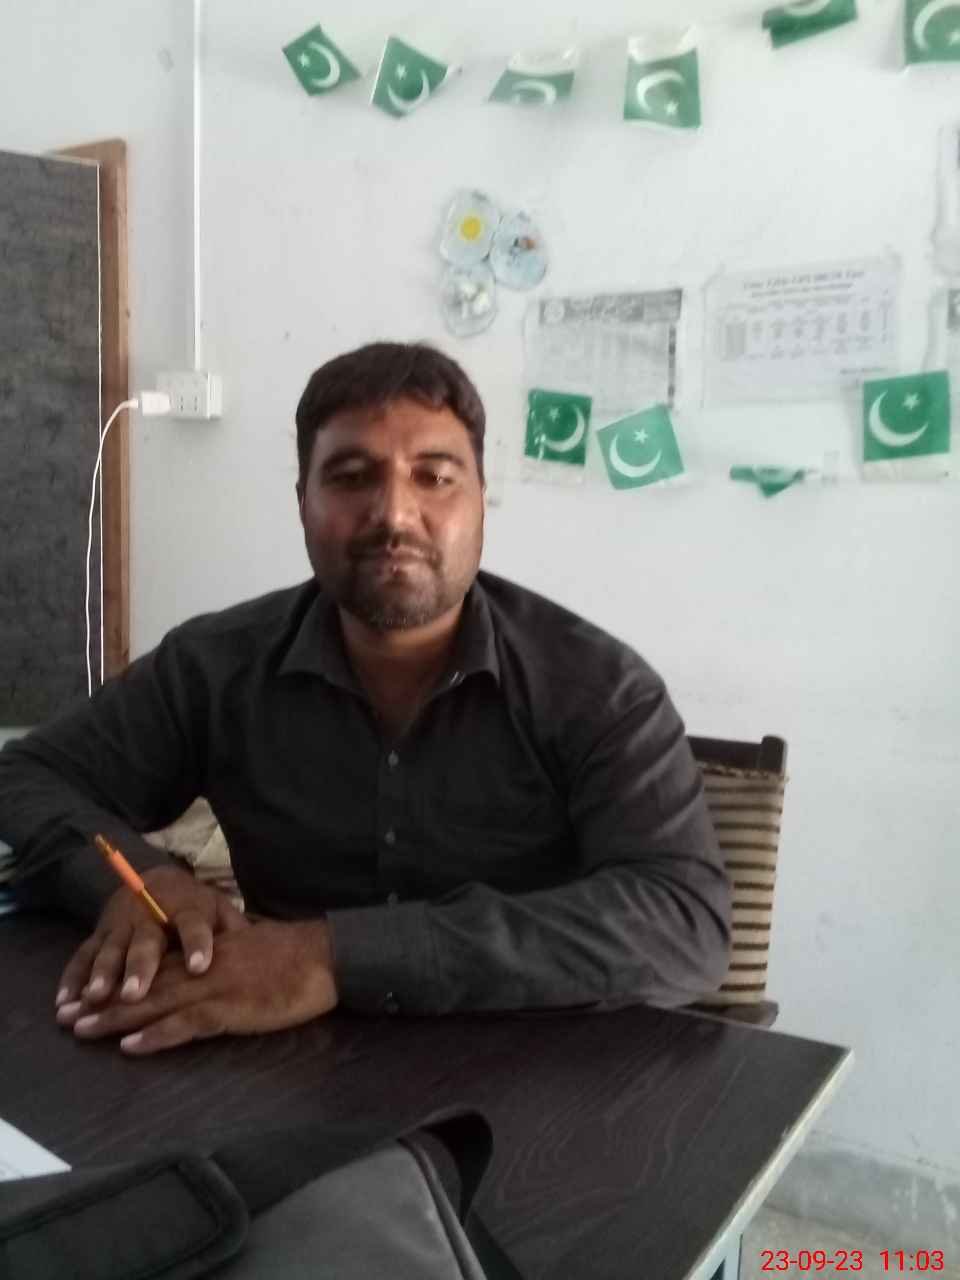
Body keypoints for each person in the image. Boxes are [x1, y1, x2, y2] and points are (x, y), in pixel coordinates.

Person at [0, 341, 730, 1055]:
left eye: (434, 477)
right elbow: (28, 775)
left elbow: (684, 923)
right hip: (281, 1063)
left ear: (482, 500)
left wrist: (332, 957)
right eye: (351, 477)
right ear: (303, 504)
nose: (394, 515)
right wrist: (138, 880)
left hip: (540, 1068)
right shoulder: (215, 667)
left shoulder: (597, 687)